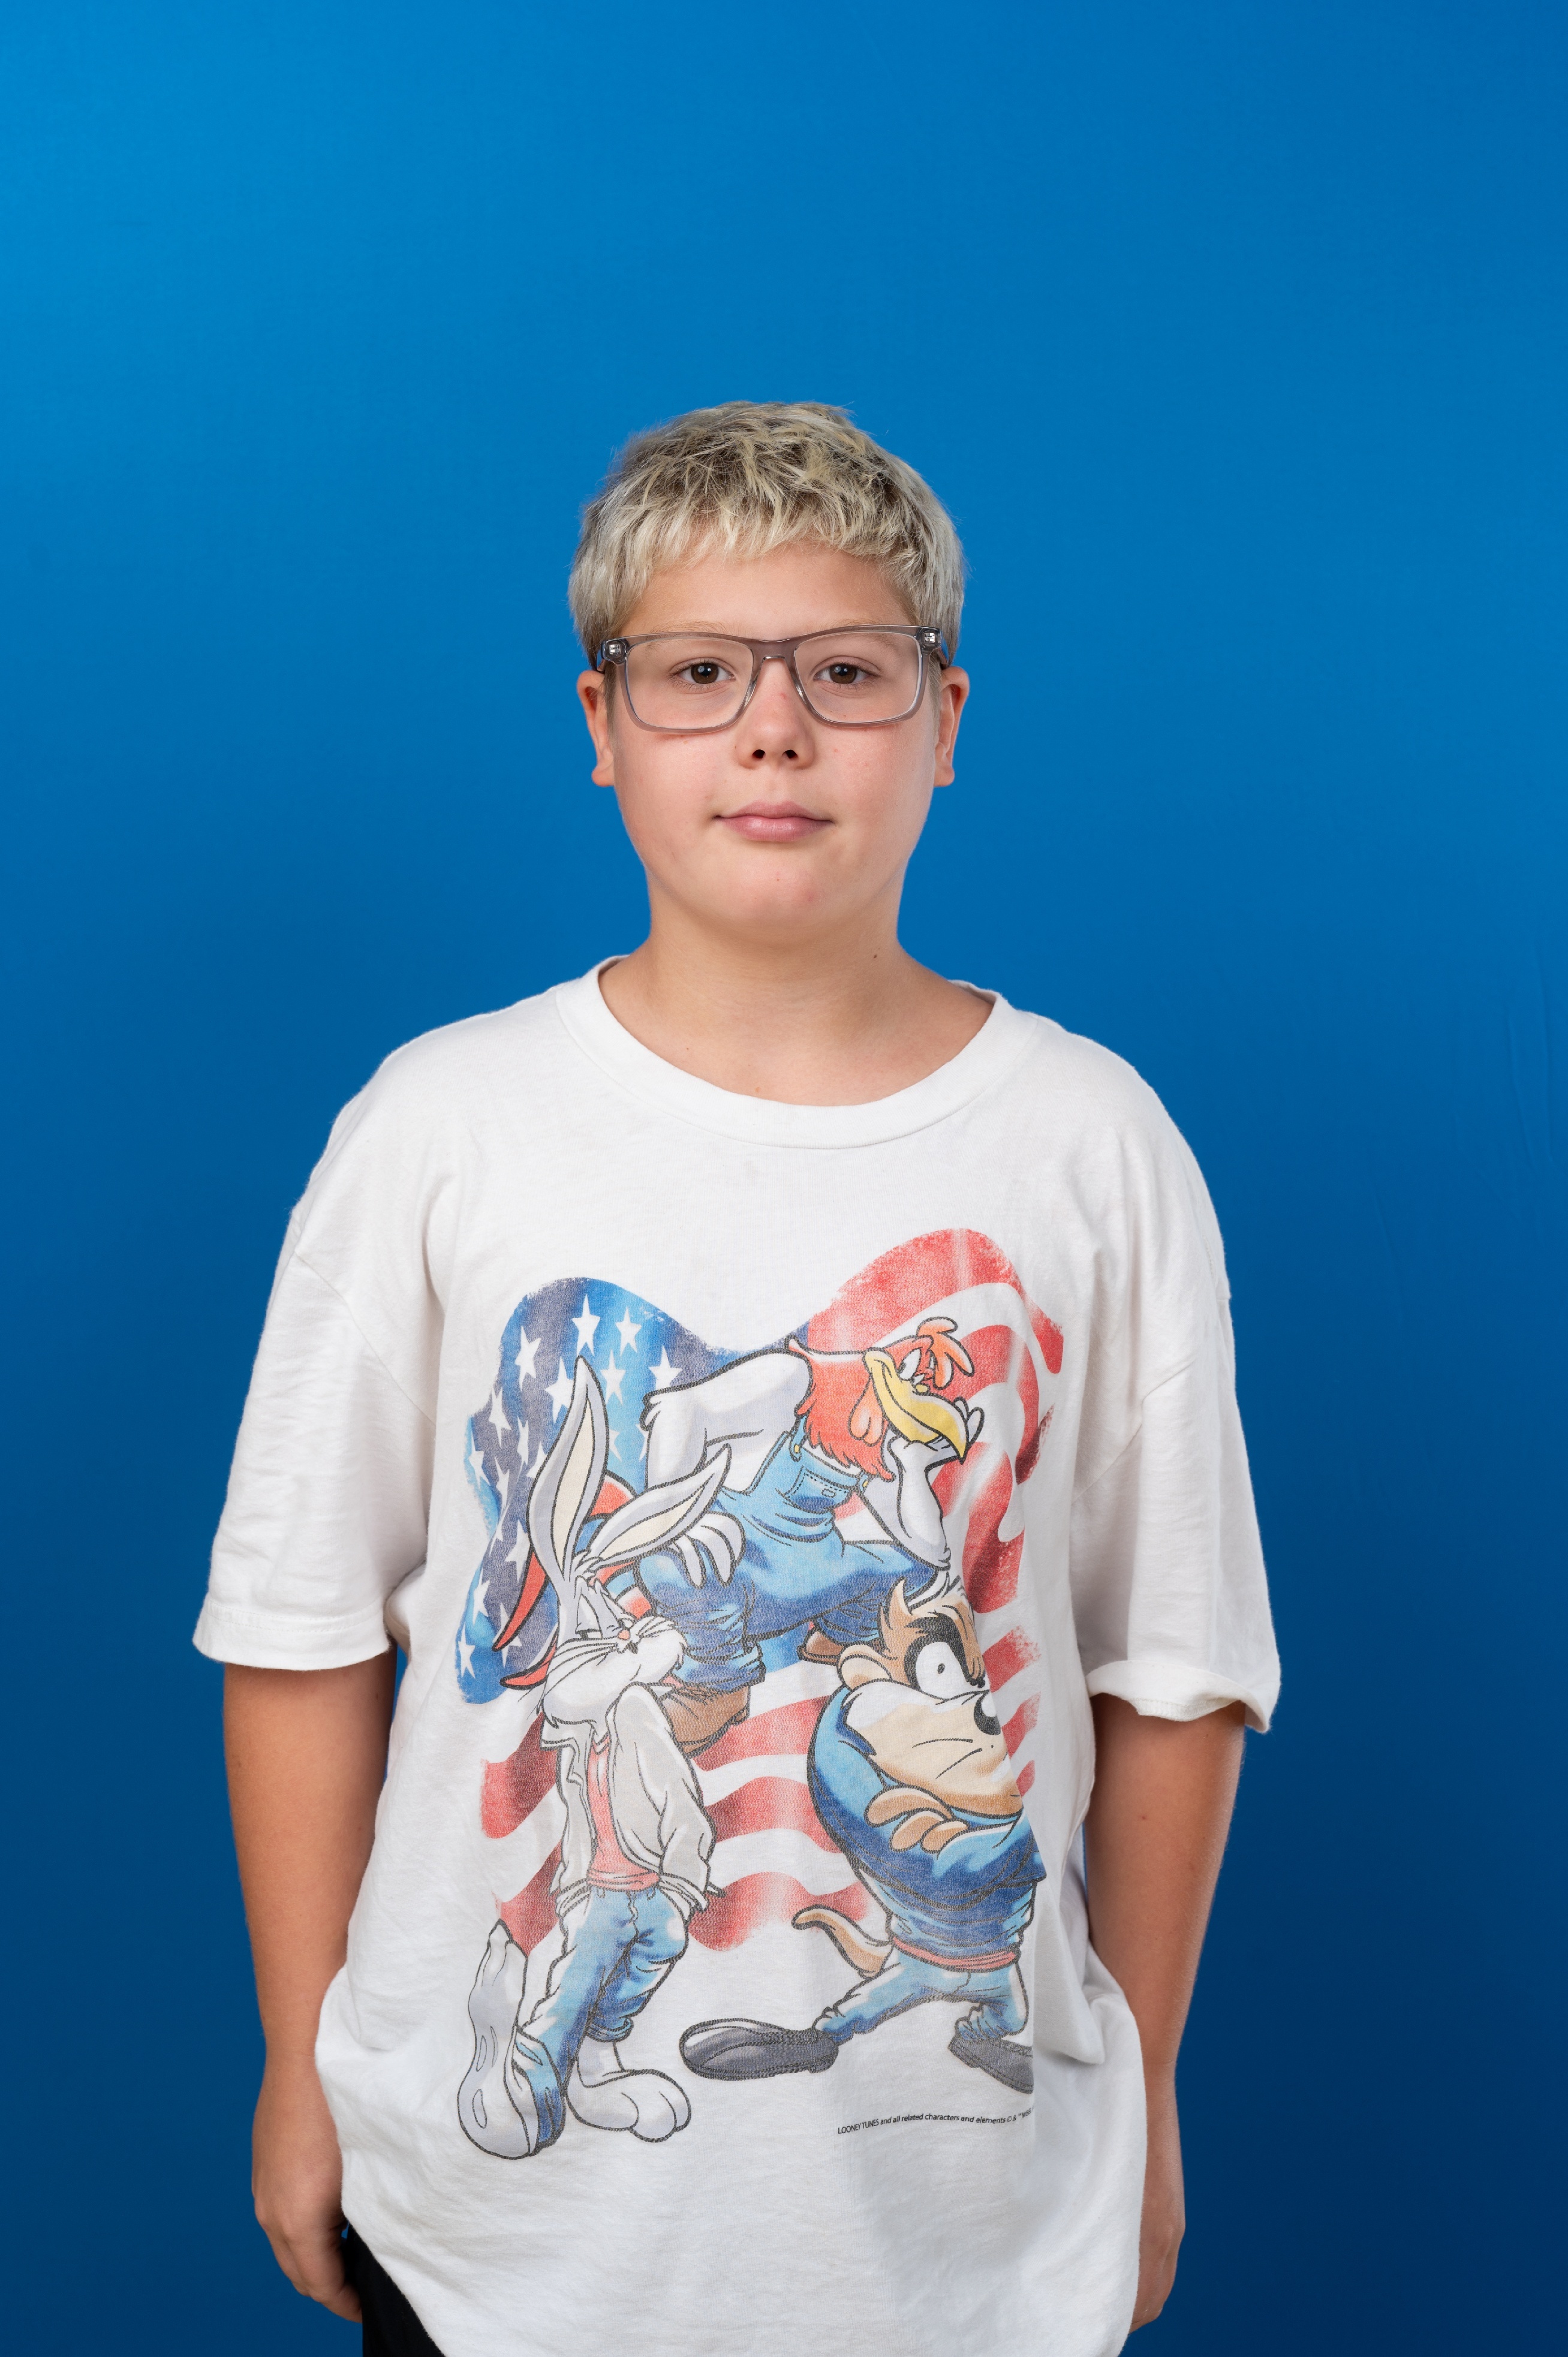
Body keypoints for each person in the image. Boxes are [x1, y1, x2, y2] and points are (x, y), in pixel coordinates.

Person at [199, 400, 1280, 2357]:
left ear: (944, 720)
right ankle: (556, 2039)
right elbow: (296, 1624)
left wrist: (1150, 2101)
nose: (774, 729)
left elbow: (1178, 1666)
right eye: (700, 672)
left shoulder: (1092, 1142)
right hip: (495, 2246)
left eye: (845, 672)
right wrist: (298, 2057)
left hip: (967, 2241)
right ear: (604, 721)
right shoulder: (443, 1126)